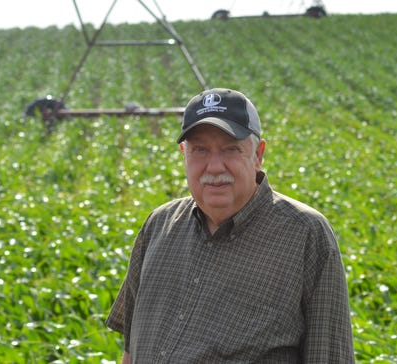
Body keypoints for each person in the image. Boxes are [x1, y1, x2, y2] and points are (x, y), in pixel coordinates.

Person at [106, 88, 355, 363]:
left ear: (258, 154)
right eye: (200, 150)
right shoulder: (158, 225)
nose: (214, 167)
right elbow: (131, 351)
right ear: (183, 153)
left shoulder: (305, 235)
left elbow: (331, 356)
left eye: (230, 149)